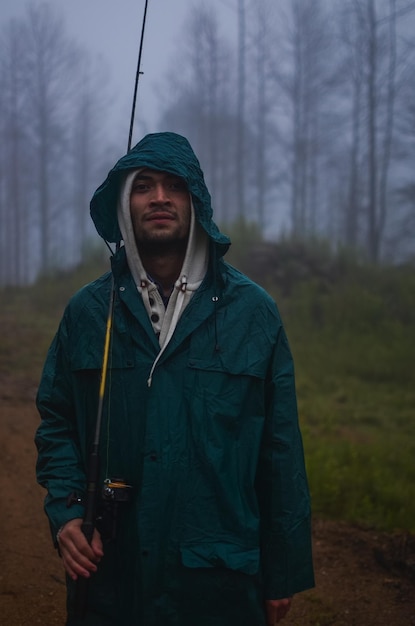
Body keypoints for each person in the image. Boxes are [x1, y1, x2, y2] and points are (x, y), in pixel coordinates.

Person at [35, 131, 314, 626]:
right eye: (143, 186)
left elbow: (280, 452)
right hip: (108, 581)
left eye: (174, 186)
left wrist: (281, 571)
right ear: (123, 204)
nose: (159, 198)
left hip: (219, 583)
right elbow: (56, 420)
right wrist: (68, 509)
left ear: (197, 201)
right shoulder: (88, 312)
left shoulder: (253, 313)